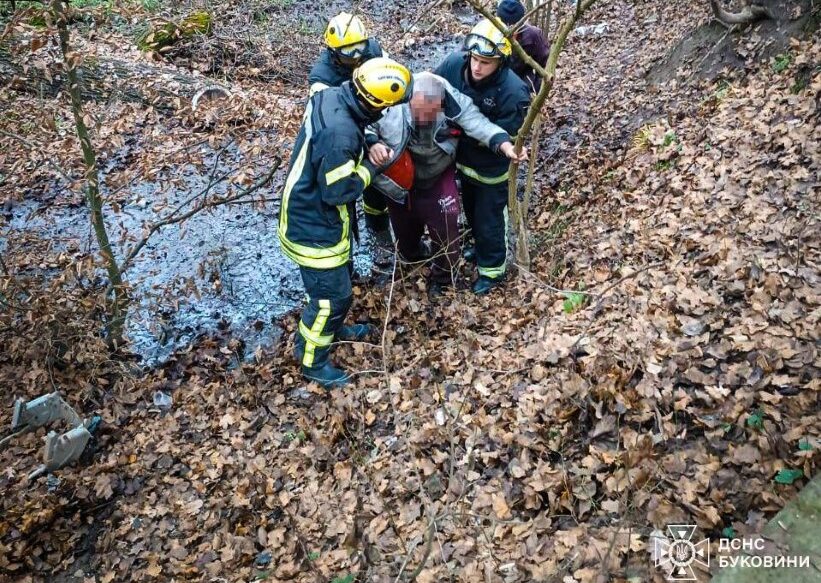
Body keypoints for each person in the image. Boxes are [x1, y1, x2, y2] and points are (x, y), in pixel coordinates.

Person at [278, 57, 412, 389]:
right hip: (313, 227)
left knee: (338, 286)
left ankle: (334, 329)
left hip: (310, 209)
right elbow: (338, 191)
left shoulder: (334, 95)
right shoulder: (339, 137)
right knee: (331, 299)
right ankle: (313, 361)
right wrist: (372, 167)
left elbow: (354, 124)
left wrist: (368, 141)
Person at [365, 72, 526, 296]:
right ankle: (413, 257)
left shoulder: (454, 102)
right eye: (418, 111)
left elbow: (478, 124)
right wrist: (372, 144)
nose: (423, 117)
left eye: (431, 111)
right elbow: (364, 123)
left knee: (446, 229)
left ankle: (443, 278)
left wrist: (504, 145)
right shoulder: (391, 104)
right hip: (399, 179)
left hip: (437, 173)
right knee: (404, 231)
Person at [435, 19, 530, 295]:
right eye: (474, 59)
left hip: (490, 167)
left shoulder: (513, 92)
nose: (476, 67)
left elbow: (507, 134)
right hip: (461, 161)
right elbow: (432, 89)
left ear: (501, 61)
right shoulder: (454, 65)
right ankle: (478, 248)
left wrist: (462, 131)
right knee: (472, 212)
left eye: (485, 62)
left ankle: (493, 270)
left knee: (490, 219)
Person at [308, 12, 391, 244]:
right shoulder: (321, 79)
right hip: (346, 140)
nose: (356, 57)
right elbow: (334, 123)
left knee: (376, 187)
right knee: (346, 192)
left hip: (377, 121)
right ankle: (349, 249)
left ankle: (379, 231)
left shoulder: (373, 51)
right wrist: (370, 141)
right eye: (348, 52)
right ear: (334, 52)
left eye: (360, 48)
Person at [496, 0, 550, 93]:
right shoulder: (488, 31)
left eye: (514, 29)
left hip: (522, 80)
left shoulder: (533, 35)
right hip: (494, 80)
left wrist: (536, 90)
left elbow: (545, 65)